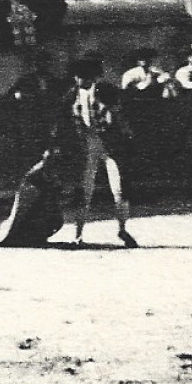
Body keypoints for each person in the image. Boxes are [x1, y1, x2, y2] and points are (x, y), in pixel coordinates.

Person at [63, 55, 137, 248]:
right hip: (89, 143)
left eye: (80, 76)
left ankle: (122, 229)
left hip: (109, 144)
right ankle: (78, 234)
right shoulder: (73, 94)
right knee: (84, 190)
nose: (77, 79)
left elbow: (119, 118)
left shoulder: (105, 91)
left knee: (118, 189)